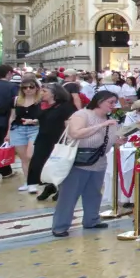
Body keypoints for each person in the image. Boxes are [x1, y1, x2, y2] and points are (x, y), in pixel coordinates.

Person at [51, 91, 122, 237]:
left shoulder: (110, 120)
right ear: (99, 101)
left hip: (99, 162)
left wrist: (119, 140)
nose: (113, 105)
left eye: (115, 102)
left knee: (94, 193)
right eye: (110, 102)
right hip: (78, 162)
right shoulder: (83, 115)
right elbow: (75, 133)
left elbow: (109, 140)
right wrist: (101, 125)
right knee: (69, 195)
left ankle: (92, 220)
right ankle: (60, 226)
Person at [29, 84, 78, 201]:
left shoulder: (66, 106)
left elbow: (70, 122)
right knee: (40, 163)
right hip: (43, 138)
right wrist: (33, 121)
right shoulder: (43, 105)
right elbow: (45, 119)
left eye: (45, 91)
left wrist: (70, 138)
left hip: (58, 139)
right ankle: (50, 185)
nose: (42, 93)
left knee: (58, 164)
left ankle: (59, 188)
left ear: (54, 93)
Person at [6, 78, 43, 191]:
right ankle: (28, 182)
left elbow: (46, 116)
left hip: (35, 129)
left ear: (37, 88)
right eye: (24, 87)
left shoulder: (41, 101)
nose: (28, 89)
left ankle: (34, 181)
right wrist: (8, 133)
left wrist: (35, 121)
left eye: (31, 87)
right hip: (18, 129)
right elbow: (12, 117)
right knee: (23, 158)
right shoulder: (16, 100)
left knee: (30, 155)